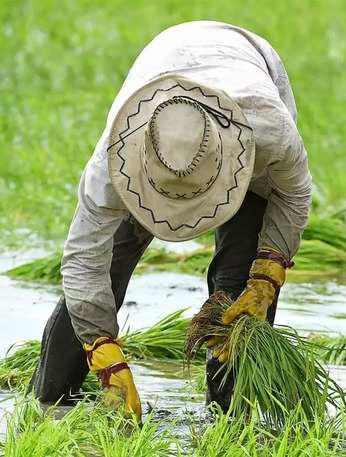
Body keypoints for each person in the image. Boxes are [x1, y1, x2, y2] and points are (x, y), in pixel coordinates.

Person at [29, 21, 311, 422]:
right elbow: (83, 259)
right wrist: (102, 349)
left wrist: (267, 272)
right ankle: (51, 403)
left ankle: (230, 416)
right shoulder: (117, 162)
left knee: (239, 282)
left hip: (246, 74)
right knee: (108, 270)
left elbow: (294, 194)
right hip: (163, 64)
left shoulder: (268, 133)